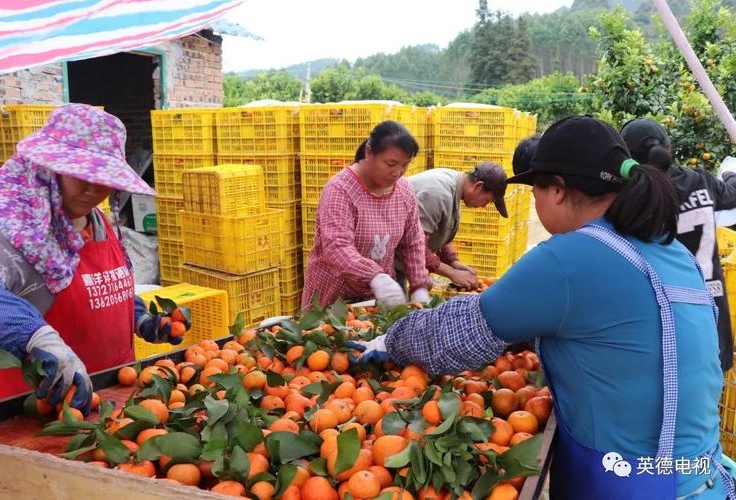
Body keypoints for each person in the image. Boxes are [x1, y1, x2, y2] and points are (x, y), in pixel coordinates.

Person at [350, 116, 733, 499]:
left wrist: (393, 339)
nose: (533, 201)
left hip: (634, 487)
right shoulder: (671, 250)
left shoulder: (569, 259)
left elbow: (456, 334)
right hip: (703, 477)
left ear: (559, 190)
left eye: (535, 189)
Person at [0, 104, 189, 415]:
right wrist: (34, 336)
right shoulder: (12, 227)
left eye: (103, 177)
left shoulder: (96, 220)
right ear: (47, 169)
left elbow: (102, 288)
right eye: (81, 174)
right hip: (32, 415)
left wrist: (143, 318)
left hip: (109, 405)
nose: (93, 189)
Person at [621, 118, 736, 372]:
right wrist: (729, 174)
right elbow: (732, 193)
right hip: (713, 319)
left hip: (668, 325)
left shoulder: (633, 201)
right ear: (668, 149)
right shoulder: (701, 181)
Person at [302, 121, 432, 309]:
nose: (397, 172)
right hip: (331, 302)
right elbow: (337, 247)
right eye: (391, 164)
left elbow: (412, 241)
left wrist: (419, 284)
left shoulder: (404, 190)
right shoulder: (340, 190)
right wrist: (375, 277)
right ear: (369, 152)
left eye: (405, 165)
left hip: (377, 302)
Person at [401, 163, 508, 291]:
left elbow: (440, 227)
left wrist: (453, 262)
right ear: (478, 186)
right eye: (486, 201)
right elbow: (414, 245)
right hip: (386, 259)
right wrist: (451, 273)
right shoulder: (438, 194)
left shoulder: (455, 187)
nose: (483, 206)